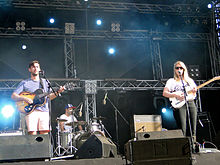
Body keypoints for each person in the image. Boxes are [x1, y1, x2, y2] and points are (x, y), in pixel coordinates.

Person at [11, 60, 65, 135]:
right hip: (31, 111)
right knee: (33, 134)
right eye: (33, 67)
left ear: (39, 69)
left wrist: (58, 92)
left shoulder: (45, 82)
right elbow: (14, 96)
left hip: (44, 111)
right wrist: (25, 98)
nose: (35, 68)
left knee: (44, 135)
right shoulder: (25, 83)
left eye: (37, 67)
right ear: (29, 69)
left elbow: (48, 97)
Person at [163, 61, 197, 142]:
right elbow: (165, 93)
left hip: (190, 102)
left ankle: (194, 144)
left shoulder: (189, 81)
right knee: (182, 127)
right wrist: (176, 95)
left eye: (181, 68)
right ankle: (183, 145)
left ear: (184, 69)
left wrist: (194, 91)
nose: (179, 69)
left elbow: (193, 95)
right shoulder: (171, 81)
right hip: (180, 105)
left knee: (193, 125)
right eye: (177, 68)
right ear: (174, 70)